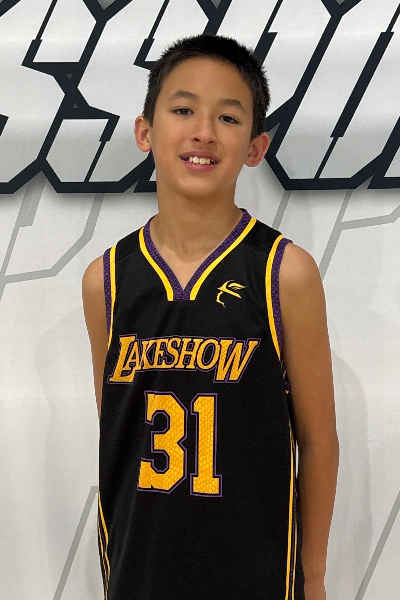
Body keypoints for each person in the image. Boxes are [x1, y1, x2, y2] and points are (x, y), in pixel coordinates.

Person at [82, 34, 339, 600]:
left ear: (255, 146)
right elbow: (117, 432)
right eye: (182, 110)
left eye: (228, 117)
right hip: (140, 572)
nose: (203, 131)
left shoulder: (284, 272)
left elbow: (318, 440)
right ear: (144, 131)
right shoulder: (105, 280)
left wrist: (314, 577)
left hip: (257, 574)